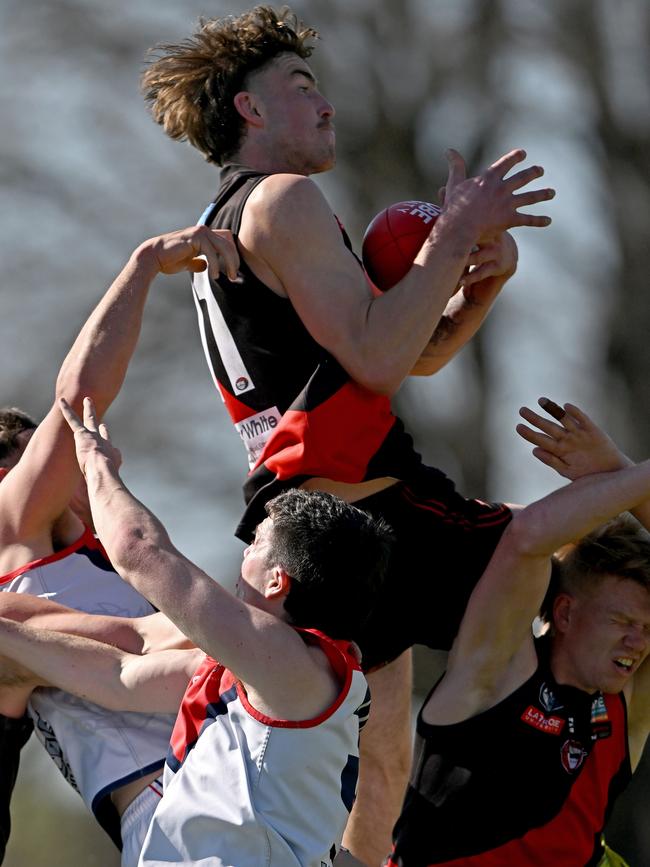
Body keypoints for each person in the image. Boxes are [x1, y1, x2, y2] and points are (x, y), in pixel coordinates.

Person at [141, 8, 555, 859]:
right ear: (251, 111)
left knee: (383, 751)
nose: (326, 103)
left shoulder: (234, 212)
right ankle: (544, 826)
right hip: (362, 507)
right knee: (586, 563)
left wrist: (474, 286)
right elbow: (374, 355)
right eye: (302, 87)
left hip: (321, 515)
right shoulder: (285, 198)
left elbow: (404, 353)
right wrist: (452, 237)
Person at [4, 395, 393, 867]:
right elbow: (120, 673)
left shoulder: (292, 662)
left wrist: (97, 467)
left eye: (256, 544)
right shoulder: (260, 672)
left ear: (277, 580)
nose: (242, 554)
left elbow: (139, 550)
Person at [0, 225, 239, 863]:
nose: (75, 461)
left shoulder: (85, 562)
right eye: (40, 461)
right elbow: (78, 399)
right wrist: (143, 267)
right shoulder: (10, 530)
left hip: (205, 790)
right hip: (180, 800)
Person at [387, 399, 650, 866]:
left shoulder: (626, 702)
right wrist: (630, 482)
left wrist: (618, 470)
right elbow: (528, 537)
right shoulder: (497, 670)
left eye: (648, 628)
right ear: (565, 613)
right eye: (623, 623)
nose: (639, 642)